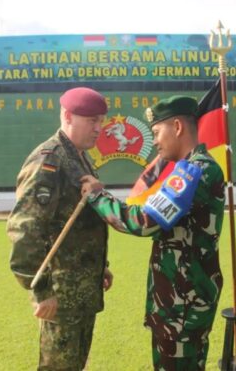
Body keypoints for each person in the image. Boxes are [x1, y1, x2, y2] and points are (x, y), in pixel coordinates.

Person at [81, 95, 225, 371]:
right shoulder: (188, 170)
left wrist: (97, 197)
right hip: (179, 302)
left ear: (178, 127)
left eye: (157, 132)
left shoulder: (195, 172)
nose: (155, 142)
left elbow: (144, 221)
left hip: (183, 307)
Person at [6, 87, 113, 371]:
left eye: (101, 120)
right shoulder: (49, 161)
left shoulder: (78, 157)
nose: (99, 128)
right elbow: (24, 230)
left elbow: (78, 223)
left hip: (81, 291)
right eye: (92, 120)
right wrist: (40, 291)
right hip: (60, 296)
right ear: (67, 116)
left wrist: (101, 266)